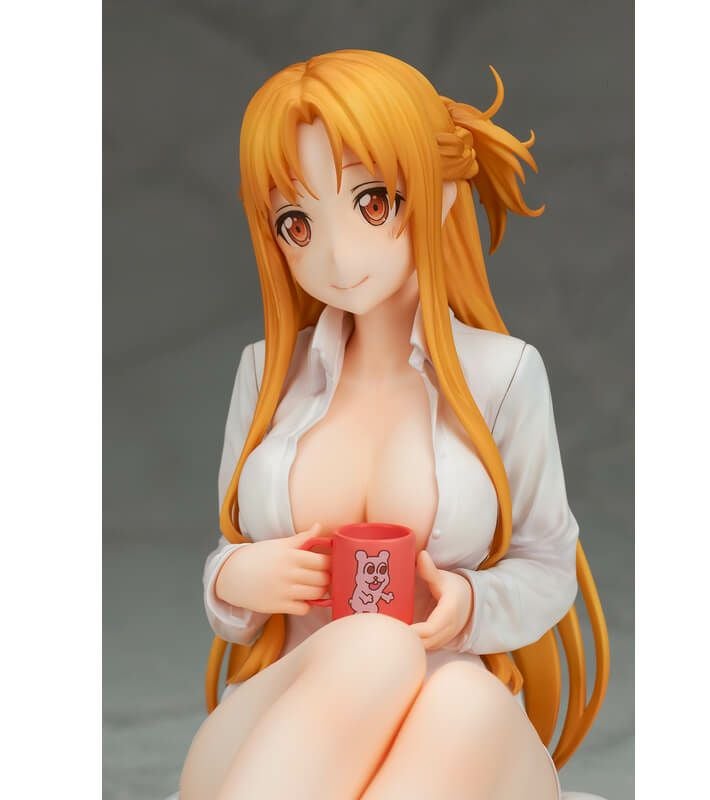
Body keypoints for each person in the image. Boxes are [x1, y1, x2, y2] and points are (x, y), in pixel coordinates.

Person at [177, 49, 609, 800]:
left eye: (372, 202)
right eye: (296, 222)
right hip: (291, 724)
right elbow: (229, 553)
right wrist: (236, 578)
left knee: (462, 696)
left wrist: (469, 604)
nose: (337, 254)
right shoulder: (268, 372)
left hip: (449, 728)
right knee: (372, 647)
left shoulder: (503, 375)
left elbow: (548, 565)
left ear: (441, 194)